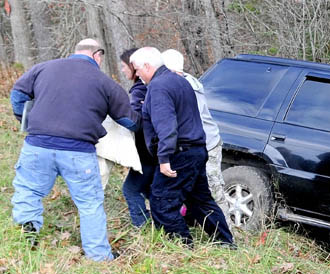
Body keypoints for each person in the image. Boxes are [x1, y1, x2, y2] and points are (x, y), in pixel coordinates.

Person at [9, 38, 137, 261]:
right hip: (78, 151)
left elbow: (18, 94)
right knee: (89, 203)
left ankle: (26, 239)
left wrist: (25, 119)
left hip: (38, 146)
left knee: (29, 191)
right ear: (97, 55)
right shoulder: (104, 82)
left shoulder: (43, 68)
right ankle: (98, 256)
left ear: (76, 51)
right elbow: (128, 120)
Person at [129, 47, 234, 248]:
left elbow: (166, 126)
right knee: (201, 201)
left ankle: (182, 246)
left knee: (162, 202)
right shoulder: (181, 81)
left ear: (147, 66)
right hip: (196, 150)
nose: (137, 75)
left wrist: (164, 159)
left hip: (179, 154)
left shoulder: (158, 86)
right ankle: (225, 242)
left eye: (137, 69)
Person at [160, 49, 228, 223]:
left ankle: (228, 230)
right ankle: (197, 223)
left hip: (207, 144)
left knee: (213, 189)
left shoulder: (187, 87)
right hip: (195, 145)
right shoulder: (181, 82)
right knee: (192, 188)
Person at [119, 47, 158, 227]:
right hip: (154, 151)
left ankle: (142, 227)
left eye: (124, 66)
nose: (123, 70)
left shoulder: (139, 90)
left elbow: (136, 120)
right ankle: (160, 223)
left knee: (131, 190)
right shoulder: (148, 86)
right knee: (151, 190)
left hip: (146, 152)